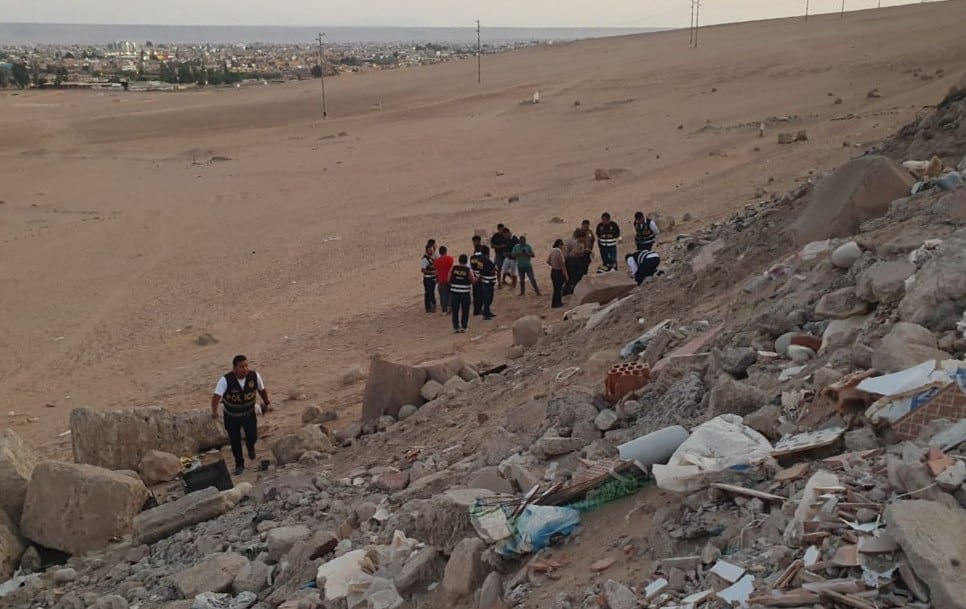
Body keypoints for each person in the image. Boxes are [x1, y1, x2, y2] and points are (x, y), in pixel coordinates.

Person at [211, 355, 271, 476]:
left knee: (252, 436)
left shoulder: (254, 376)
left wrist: (266, 402)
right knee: (235, 441)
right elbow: (216, 397)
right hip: (232, 416)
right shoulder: (225, 380)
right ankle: (239, 464)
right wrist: (214, 411)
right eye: (241, 366)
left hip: (249, 414)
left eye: (246, 366)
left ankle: (250, 446)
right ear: (234, 368)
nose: (244, 369)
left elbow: (261, 389)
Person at [448, 254, 476, 333]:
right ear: (466, 261)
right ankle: (464, 326)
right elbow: (472, 280)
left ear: (459, 261)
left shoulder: (453, 268)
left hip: (454, 292)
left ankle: (456, 327)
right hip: (465, 293)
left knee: (455, 310)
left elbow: (448, 279)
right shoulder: (468, 270)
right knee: (465, 310)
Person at [563, 229, 588, 295]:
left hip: (568, 260)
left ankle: (566, 290)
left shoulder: (570, 239)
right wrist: (583, 251)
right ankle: (573, 290)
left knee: (570, 276)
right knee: (577, 276)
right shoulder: (576, 242)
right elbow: (574, 253)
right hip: (574, 260)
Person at [547, 238, 569, 308]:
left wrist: (553, 265)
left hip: (553, 271)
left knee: (556, 288)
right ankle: (557, 303)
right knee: (558, 289)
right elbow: (562, 265)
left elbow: (548, 261)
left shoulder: (552, 251)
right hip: (558, 272)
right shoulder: (559, 253)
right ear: (559, 245)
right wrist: (566, 275)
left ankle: (556, 303)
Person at [433, 246, 455, 314]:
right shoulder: (450, 259)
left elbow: (436, 270)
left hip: (441, 280)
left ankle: (444, 310)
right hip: (449, 279)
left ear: (440, 252)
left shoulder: (437, 261)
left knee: (443, 295)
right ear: (446, 251)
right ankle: (450, 307)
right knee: (450, 294)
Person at [479, 245, 497, 319]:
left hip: (486, 280)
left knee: (488, 297)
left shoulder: (481, 260)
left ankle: (487, 311)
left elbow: (480, 270)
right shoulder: (487, 261)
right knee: (488, 298)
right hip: (488, 281)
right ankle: (486, 313)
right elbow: (492, 269)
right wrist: (491, 271)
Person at [490, 223, 509, 288]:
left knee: (506, 268)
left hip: (505, 254)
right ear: (498, 229)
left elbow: (508, 244)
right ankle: (499, 283)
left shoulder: (505, 235)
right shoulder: (495, 236)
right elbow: (492, 245)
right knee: (499, 269)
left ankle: (503, 280)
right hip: (498, 254)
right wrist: (500, 246)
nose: (502, 230)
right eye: (501, 229)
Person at [420, 243, 437, 313]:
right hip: (428, 279)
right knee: (428, 293)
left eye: (432, 250)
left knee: (431, 292)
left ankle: (432, 305)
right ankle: (428, 308)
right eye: (430, 250)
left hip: (432, 278)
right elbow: (423, 270)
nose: (431, 251)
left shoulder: (430, 258)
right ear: (427, 250)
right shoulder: (425, 259)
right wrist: (432, 273)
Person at [470, 236, 485, 316]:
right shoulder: (480, 256)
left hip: (475, 275)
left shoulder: (473, 256)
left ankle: (477, 309)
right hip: (478, 276)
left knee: (477, 294)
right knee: (479, 294)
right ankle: (477, 310)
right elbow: (480, 265)